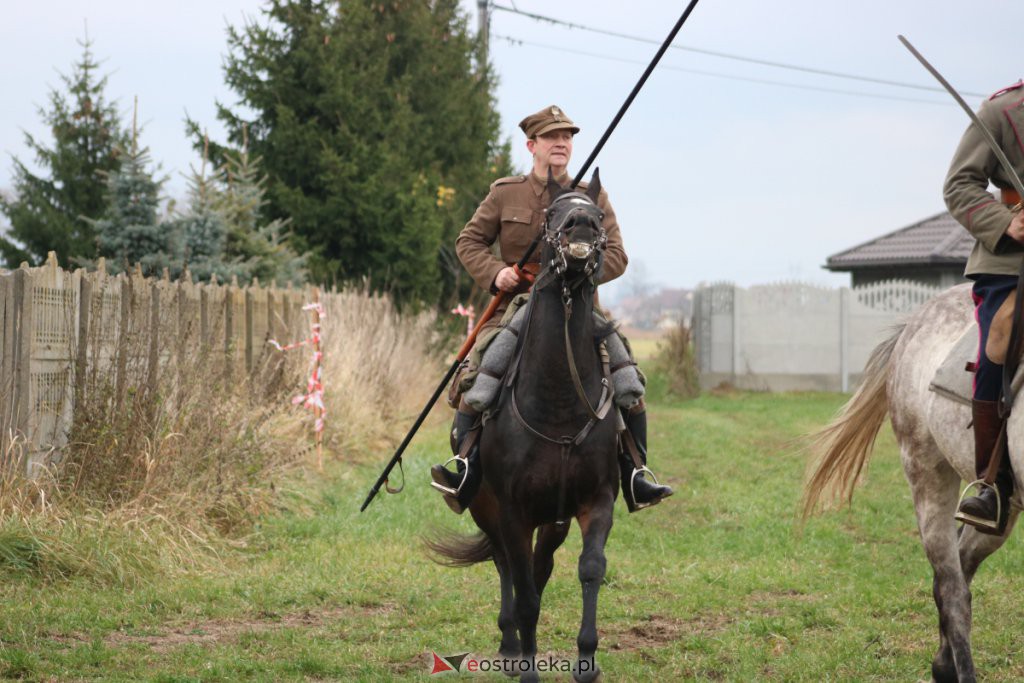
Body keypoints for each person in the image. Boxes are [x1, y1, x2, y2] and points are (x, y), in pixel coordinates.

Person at [430, 104, 673, 514]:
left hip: (578, 308)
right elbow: (468, 242)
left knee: (627, 377)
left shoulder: (590, 195)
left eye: (568, 137)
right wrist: (497, 274)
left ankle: (635, 472)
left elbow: (617, 255)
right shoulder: (506, 193)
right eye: (551, 137)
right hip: (519, 304)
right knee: (480, 373)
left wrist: (583, 270)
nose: (561, 143)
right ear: (532, 145)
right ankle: (466, 466)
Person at [944, 80, 1024, 533]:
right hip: (1013, 260)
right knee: (1002, 331)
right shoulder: (1000, 111)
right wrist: (1007, 222)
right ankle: (990, 484)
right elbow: (959, 186)